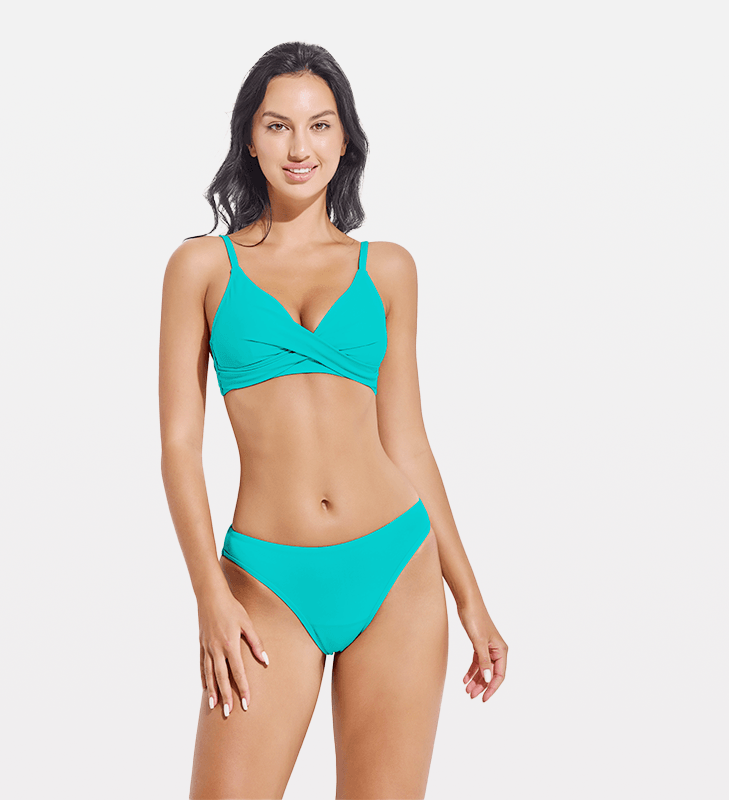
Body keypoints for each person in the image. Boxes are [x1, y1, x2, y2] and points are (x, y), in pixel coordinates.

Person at [159, 40, 508, 800]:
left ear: (345, 139)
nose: (300, 147)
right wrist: (209, 595)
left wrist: (470, 597)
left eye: (319, 125)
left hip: (396, 569)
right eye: (278, 125)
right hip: (264, 583)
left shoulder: (388, 269)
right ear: (249, 138)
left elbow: (408, 442)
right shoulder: (202, 267)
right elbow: (180, 446)